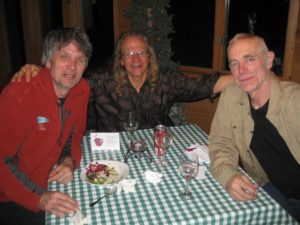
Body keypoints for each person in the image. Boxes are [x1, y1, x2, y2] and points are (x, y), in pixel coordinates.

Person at [12, 31, 233, 131]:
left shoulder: (166, 79)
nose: (136, 59)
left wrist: (244, 76)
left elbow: (204, 85)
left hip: (157, 151)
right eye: (129, 54)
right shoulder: (100, 81)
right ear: (120, 59)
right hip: (113, 157)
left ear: (150, 55)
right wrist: (38, 71)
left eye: (141, 52)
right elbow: (66, 81)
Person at [0, 27, 92, 225]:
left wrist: (69, 160)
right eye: (64, 56)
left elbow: (74, 135)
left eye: (80, 59)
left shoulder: (82, 89)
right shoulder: (17, 96)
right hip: (13, 198)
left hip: (51, 183)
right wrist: (39, 198)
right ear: (48, 62)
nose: (72, 66)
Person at [208, 33, 300, 222]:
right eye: (234, 63)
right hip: (268, 189)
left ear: (269, 60)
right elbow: (221, 141)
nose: (241, 70)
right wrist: (229, 176)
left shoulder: (294, 101)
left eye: (249, 59)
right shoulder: (232, 95)